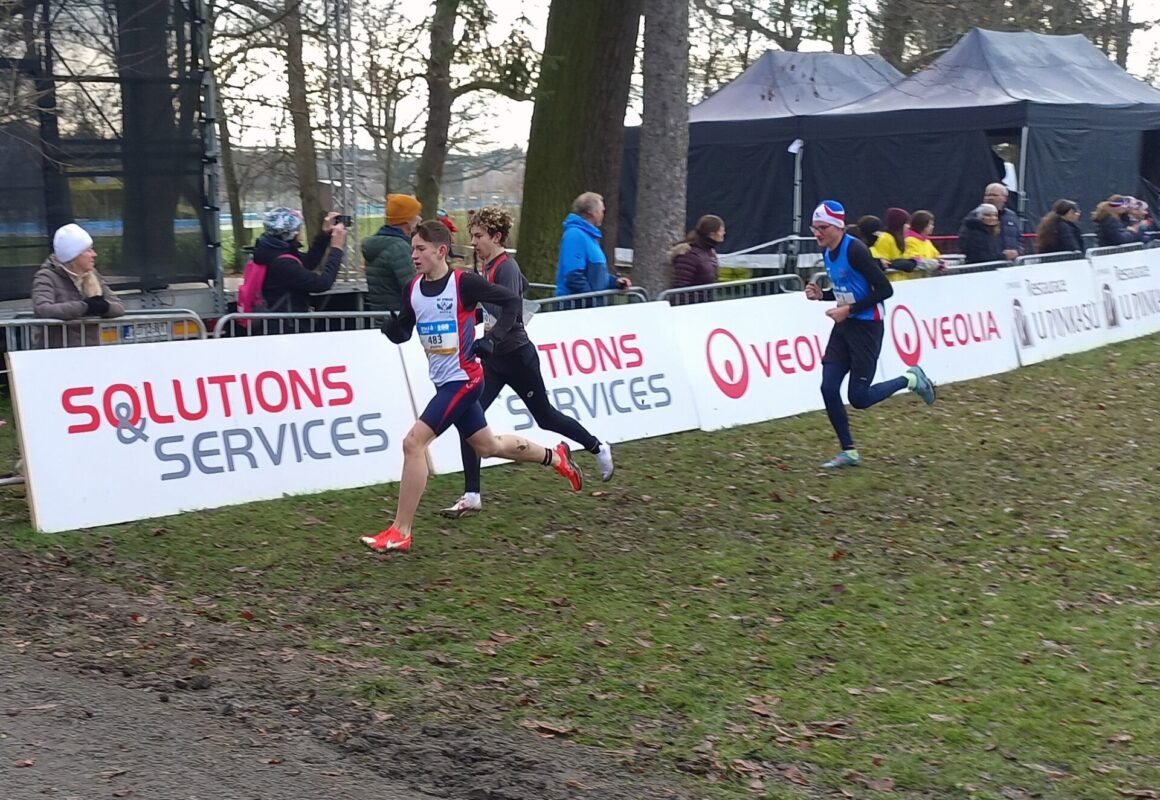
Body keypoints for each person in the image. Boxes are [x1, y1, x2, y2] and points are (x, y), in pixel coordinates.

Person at [365, 221, 584, 553]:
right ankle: (556, 458)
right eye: (412, 249)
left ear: (441, 251)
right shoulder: (413, 288)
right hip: (444, 382)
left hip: (464, 380)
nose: (414, 256)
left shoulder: (464, 283)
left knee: (413, 443)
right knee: (488, 446)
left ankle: (401, 531)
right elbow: (405, 330)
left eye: (420, 249)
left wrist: (493, 339)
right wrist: (392, 330)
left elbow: (512, 303)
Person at [440, 207, 615, 519]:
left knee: (545, 417)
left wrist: (491, 337)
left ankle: (597, 447)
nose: (474, 242)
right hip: (495, 360)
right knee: (469, 416)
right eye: (473, 236)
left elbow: (511, 310)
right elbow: (509, 296)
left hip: (518, 357)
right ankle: (472, 495)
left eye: (479, 236)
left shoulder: (505, 267)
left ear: (496, 237)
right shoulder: (487, 265)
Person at [804, 201, 936, 469]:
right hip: (844, 326)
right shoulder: (827, 251)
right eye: (814, 228)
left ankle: (911, 379)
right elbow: (846, 289)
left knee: (859, 398)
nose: (817, 233)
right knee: (828, 387)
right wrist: (823, 295)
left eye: (823, 227)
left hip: (867, 327)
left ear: (838, 227)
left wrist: (849, 310)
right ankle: (848, 451)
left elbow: (885, 290)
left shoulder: (855, 250)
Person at [31, 223, 125, 347]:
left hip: (89, 351)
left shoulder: (93, 275)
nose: (94, 254)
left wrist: (104, 307)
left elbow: (119, 307)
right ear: (74, 255)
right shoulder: (47, 276)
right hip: (57, 352)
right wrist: (85, 307)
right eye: (88, 250)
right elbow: (43, 309)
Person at [253, 207, 346, 332]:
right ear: (292, 233)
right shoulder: (283, 263)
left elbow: (307, 263)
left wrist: (324, 235)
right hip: (286, 327)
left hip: (279, 322)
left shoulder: (272, 251)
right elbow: (322, 283)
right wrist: (337, 249)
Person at [554, 191, 632, 306]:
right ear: (592, 212)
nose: (603, 214)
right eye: (602, 210)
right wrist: (593, 301)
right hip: (575, 309)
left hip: (588, 307)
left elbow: (595, 276)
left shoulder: (589, 237)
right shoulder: (575, 235)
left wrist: (615, 282)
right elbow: (573, 276)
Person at [362, 194, 421, 312]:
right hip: (400, 316)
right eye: (416, 215)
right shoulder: (398, 248)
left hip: (382, 315)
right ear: (407, 220)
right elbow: (413, 288)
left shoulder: (378, 245)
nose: (419, 219)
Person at [668, 214, 724, 302]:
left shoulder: (709, 252)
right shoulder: (688, 254)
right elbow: (680, 286)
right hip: (690, 306)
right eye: (721, 230)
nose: (724, 233)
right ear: (712, 234)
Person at [870, 207, 920, 281]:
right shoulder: (885, 238)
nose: (908, 226)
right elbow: (884, 263)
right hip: (890, 282)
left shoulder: (899, 240)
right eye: (906, 223)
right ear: (899, 224)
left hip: (901, 281)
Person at [983, 183, 1022, 260]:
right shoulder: (976, 216)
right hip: (988, 264)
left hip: (1011, 264)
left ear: (1005, 198)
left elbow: (1019, 239)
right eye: (987, 195)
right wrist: (1001, 256)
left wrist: (1017, 252)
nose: (990, 198)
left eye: (994, 195)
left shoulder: (1012, 216)